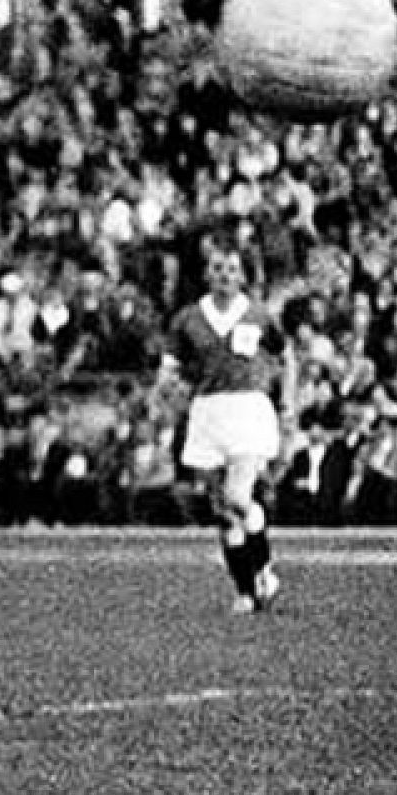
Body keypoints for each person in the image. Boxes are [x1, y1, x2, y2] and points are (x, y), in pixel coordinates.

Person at [149, 231, 296, 614]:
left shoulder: (258, 314)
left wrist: (288, 403)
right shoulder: (189, 318)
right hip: (208, 412)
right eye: (218, 268)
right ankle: (246, 591)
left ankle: (264, 567)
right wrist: (163, 391)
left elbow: (286, 356)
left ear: (243, 275)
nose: (225, 275)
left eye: (232, 269)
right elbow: (170, 366)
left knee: (237, 496)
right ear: (207, 274)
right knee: (223, 511)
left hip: (247, 409)